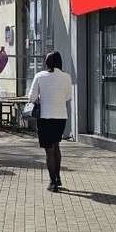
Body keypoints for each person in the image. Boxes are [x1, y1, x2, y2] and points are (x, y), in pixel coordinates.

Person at [28, 51, 73, 192]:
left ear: (46, 62)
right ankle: (58, 177)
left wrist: (41, 98)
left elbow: (31, 97)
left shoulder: (40, 76)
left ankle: (53, 182)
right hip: (61, 116)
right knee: (56, 146)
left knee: (49, 151)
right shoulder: (66, 77)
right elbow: (68, 97)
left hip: (45, 116)